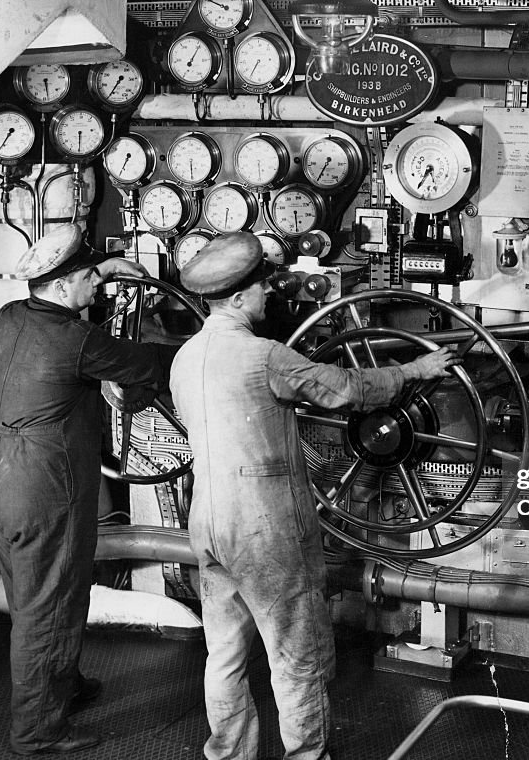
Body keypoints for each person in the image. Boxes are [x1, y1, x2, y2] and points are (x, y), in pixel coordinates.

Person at [170, 232, 460, 760]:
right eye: (261, 287)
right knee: (296, 657)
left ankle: (228, 755)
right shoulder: (265, 358)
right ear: (236, 298)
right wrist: (416, 370)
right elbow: (347, 389)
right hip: (264, 529)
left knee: (225, 654)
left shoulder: (185, 359)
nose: (269, 293)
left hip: (208, 521)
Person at [0, 224, 179, 755]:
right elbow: (148, 364)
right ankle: (38, 732)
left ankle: (60, 685)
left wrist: (111, 267)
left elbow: (75, 315)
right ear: (65, 285)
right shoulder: (78, 340)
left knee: (32, 596)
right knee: (51, 606)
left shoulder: (11, 316)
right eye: (91, 276)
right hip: (45, 488)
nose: (98, 285)